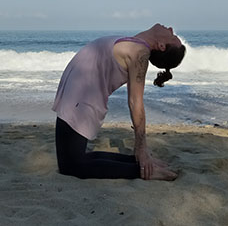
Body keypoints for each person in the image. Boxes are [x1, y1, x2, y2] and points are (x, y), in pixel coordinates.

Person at [52, 23, 186, 180]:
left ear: (162, 45)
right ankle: (142, 165)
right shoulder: (136, 44)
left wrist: (141, 148)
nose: (170, 28)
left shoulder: (140, 53)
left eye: (172, 35)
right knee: (75, 159)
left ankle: (144, 171)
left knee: (71, 166)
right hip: (77, 96)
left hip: (81, 100)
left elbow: (136, 103)